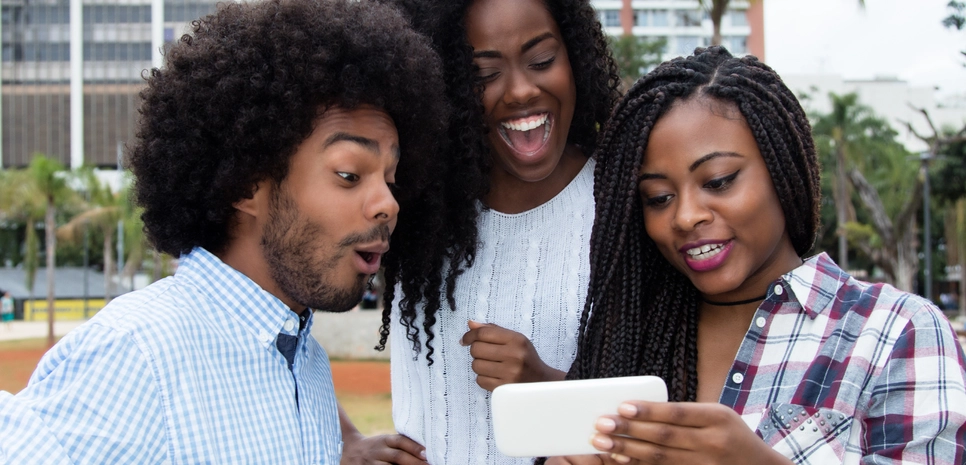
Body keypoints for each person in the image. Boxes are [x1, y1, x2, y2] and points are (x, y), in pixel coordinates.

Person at [0, 0, 448, 463]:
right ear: (245, 183)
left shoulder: (306, 363)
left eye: (391, 179)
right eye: (350, 175)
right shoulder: (139, 353)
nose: (388, 204)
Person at [548, 46, 966, 464]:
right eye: (658, 198)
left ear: (782, 170)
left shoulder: (897, 332)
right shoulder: (628, 336)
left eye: (719, 181)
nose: (686, 217)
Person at [372, 0, 620, 463]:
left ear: (575, 58)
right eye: (483, 74)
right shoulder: (421, 212)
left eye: (542, 60)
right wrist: (349, 437)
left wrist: (544, 384)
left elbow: (666, 410)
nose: (522, 90)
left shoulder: (624, 206)